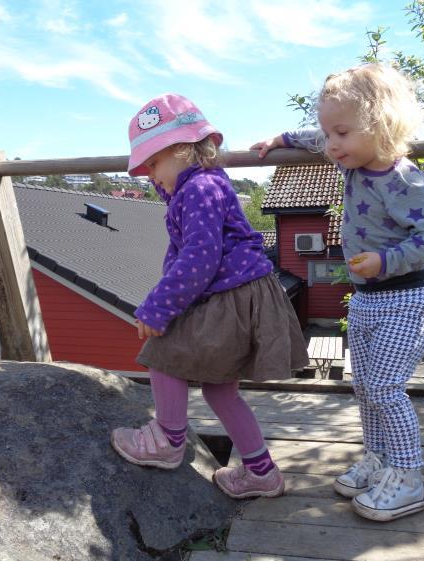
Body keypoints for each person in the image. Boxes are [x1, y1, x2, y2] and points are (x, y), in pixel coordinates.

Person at [252, 63, 424, 521]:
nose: (331, 144)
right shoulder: (350, 156)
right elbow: (314, 136)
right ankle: (378, 459)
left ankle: (408, 475)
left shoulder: (405, 179)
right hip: (364, 299)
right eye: (328, 133)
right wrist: (281, 139)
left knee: (385, 387)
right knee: (363, 387)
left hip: (407, 299)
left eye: (340, 132)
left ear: (380, 125)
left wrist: (385, 261)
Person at [111, 93, 309, 499]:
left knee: (162, 351)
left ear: (181, 151)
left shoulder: (199, 189)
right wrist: (169, 191)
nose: (149, 175)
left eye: (153, 163)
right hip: (242, 293)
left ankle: (168, 439)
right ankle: (261, 472)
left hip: (230, 296)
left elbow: (199, 259)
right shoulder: (203, 185)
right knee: (222, 391)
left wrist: (158, 306)